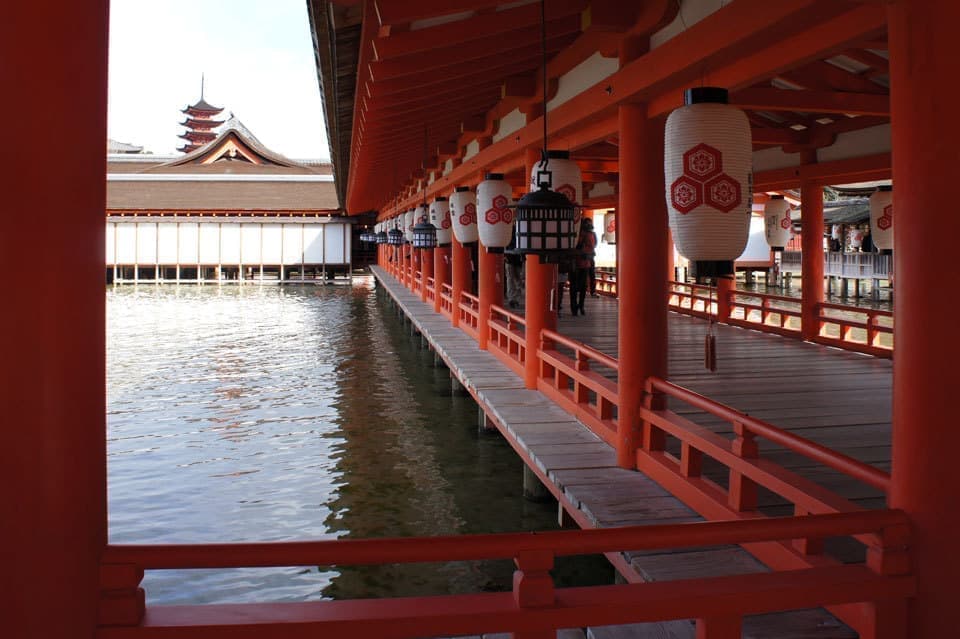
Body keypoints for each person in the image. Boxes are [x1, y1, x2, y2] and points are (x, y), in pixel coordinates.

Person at [571, 218, 597, 315]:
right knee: (579, 287)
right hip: (581, 263)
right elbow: (592, 246)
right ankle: (579, 307)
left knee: (578, 287)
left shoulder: (583, 234)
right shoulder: (589, 234)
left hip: (580, 263)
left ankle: (577, 307)